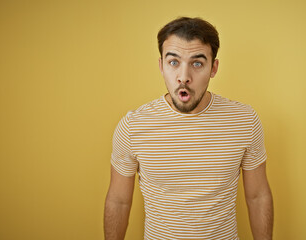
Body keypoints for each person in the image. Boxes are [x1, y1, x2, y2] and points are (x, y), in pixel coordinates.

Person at [104, 17, 273, 240]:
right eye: (173, 62)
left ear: (213, 68)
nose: (184, 77)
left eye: (197, 63)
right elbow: (119, 200)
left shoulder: (245, 121)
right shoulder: (132, 127)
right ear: (161, 66)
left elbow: (258, 196)